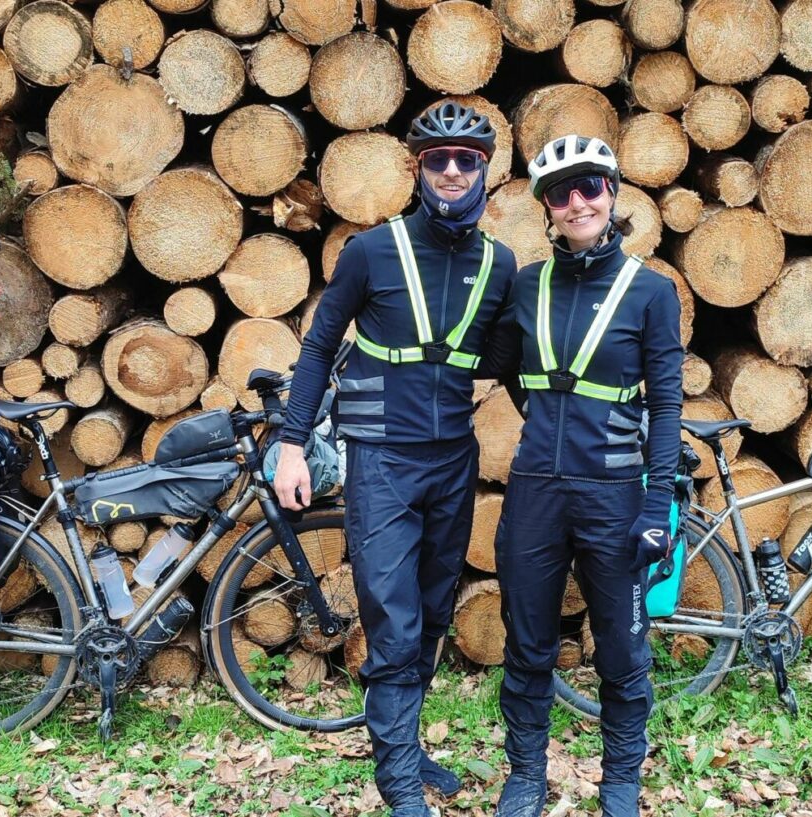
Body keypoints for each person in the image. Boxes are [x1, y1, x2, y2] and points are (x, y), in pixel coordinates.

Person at [274, 102, 517, 817]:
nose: (450, 170)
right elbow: (319, 344)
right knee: (394, 617)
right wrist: (292, 444)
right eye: (436, 158)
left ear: (483, 170)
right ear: (417, 168)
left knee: (435, 611)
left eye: (464, 160)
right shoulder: (371, 251)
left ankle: (407, 747)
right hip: (381, 458)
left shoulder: (499, 265)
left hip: (453, 459)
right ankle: (398, 781)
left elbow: (507, 356)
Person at [485, 135, 684, 817]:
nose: (578, 202)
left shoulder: (653, 292)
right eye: (561, 192)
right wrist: (549, 419)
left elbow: (667, 404)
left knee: (622, 651)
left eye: (590, 186)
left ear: (613, 192)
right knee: (528, 644)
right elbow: (507, 366)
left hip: (616, 494)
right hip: (537, 488)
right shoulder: (525, 283)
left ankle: (621, 778)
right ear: (545, 205)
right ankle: (525, 777)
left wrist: (658, 503)